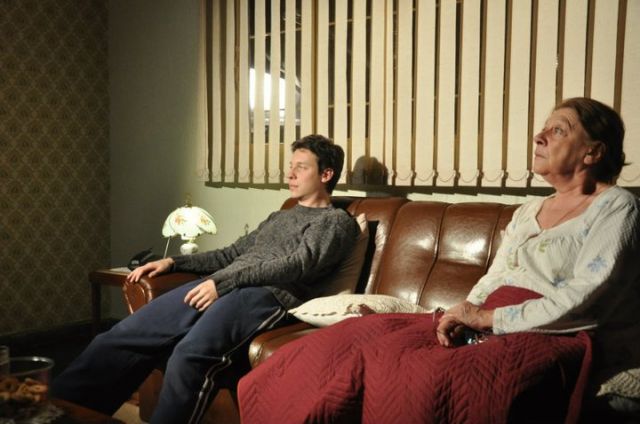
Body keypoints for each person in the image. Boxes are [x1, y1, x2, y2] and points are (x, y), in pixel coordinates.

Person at [237, 98, 640, 422]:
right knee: (351, 339)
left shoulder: (616, 207)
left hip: (552, 330)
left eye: (558, 130)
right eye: (544, 128)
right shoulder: (528, 212)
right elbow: (496, 276)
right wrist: (463, 311)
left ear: (593, 151)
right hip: (490, 316)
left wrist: (488, 319)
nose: (539, 136)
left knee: (428, 377)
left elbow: (587, 296)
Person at [52, 134, 359, 424]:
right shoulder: (280, 216)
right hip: (221, 283)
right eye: (290, 166)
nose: (290, 174)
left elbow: (297, 265)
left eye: (300, 167)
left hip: (266, 295)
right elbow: (231, 254)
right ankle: (57, 413)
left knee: (189, 356)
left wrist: (224, 284)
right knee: (120, 336)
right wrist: (173, 262)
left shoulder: (335, 222)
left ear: (326, 174)